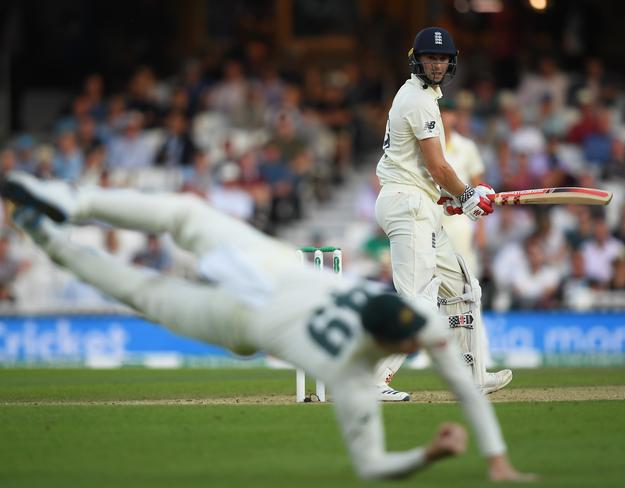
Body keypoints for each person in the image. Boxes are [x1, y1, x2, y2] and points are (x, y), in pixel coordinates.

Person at [1, 171, 535, 482]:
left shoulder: (385, 328)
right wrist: (469, 458)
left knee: (184, 213)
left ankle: (74, 203)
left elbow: (455, 384)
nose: (421, 341)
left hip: (263, 270)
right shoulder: (351, 375)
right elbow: (374, 466)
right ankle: (49, 234)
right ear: (389, 340)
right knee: (144, 293)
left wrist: (482, 456)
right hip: (248, 315)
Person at [373, 27, 512, 400]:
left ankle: (473, 377)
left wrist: (454, 198)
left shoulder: (423, 97)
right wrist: (467, 195)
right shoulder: (418, 99)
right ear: (416, 59)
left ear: (451, 62)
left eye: (442, 58)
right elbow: (437, 167)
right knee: (417, 300)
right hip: (407, 204)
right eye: (430, 57)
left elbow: (427, 173)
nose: (437, 64)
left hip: (419, 203)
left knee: (463, 290)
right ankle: (371, 379)